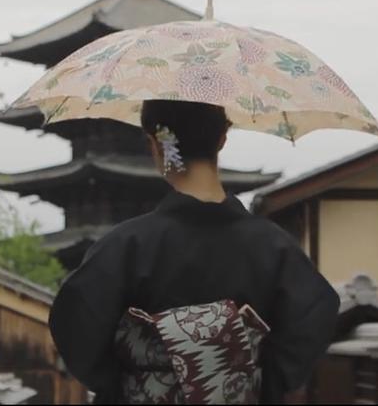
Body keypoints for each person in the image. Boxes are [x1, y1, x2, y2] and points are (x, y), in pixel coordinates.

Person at [49, 99, 339, 404]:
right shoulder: (275, 248)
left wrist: (130, 382)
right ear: (223, 138)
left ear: (155, 145)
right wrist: (258, 383)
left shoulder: (124, 246)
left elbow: (75, 327)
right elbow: (315, 315)